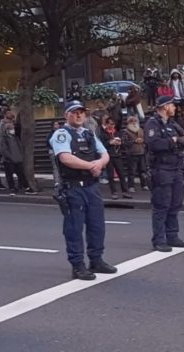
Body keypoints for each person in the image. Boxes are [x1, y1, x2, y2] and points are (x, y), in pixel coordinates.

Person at [49, 101, 118, 281]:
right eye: (75, 112)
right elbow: (65, 158)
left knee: (97, 225)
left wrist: (99, 164)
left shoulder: (88, 133)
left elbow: (105, 154)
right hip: (73, 187)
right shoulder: (62, 134)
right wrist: (91, 166)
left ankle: (96, 260)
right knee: (74, 228)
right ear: (67, 115)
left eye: (82, 112)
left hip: (91, 186)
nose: (79, 115)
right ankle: (77, 265)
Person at [144, 95, 184, 252]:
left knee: (175, 203)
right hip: (161, 169)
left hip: (175, 168)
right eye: (172, 105)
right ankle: (159, 239)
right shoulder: (152, 123)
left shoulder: (172, 123)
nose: (175, 108)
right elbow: (154, 144)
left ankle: (172, 235)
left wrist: (176, 141)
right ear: (165, 107)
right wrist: (173, 141)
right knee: (161, 204)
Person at [0, 111, 33, 196]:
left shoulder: (15, 138)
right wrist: (10, 157)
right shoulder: (3, 138)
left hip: (17, 158)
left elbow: (19, 147)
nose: (12, 129)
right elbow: (3, 149)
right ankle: (12, 189)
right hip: (9, 159)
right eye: (10, 128)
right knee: (10, 175)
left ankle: (26, 187)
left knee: (21, 173)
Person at [98, 117, 131, 200]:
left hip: (117, 155)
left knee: (122, 174)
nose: (112, 126)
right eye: (110, 124)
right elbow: (101, 145)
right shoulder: (103, 134)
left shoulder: (117, 133)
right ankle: (114, 192)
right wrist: (109, 142)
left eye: (113, 124)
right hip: (109, 156)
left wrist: (120, 142)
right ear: (107, 124)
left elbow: (124, 143)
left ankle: (125, 192)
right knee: (110, 176)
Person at [122, 115, 148, 192]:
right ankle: (131, 186)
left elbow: (146, 139)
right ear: (128, 123)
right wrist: (135, 141)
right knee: (132, 171)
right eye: (132, 121)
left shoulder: (141, 130)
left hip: (141, 152)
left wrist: (143, 141)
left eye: (135, 121)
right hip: (132, 153)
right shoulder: (125, 131)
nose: (134, 123)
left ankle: (144, 185)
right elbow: (124, 142)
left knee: (143, 170)